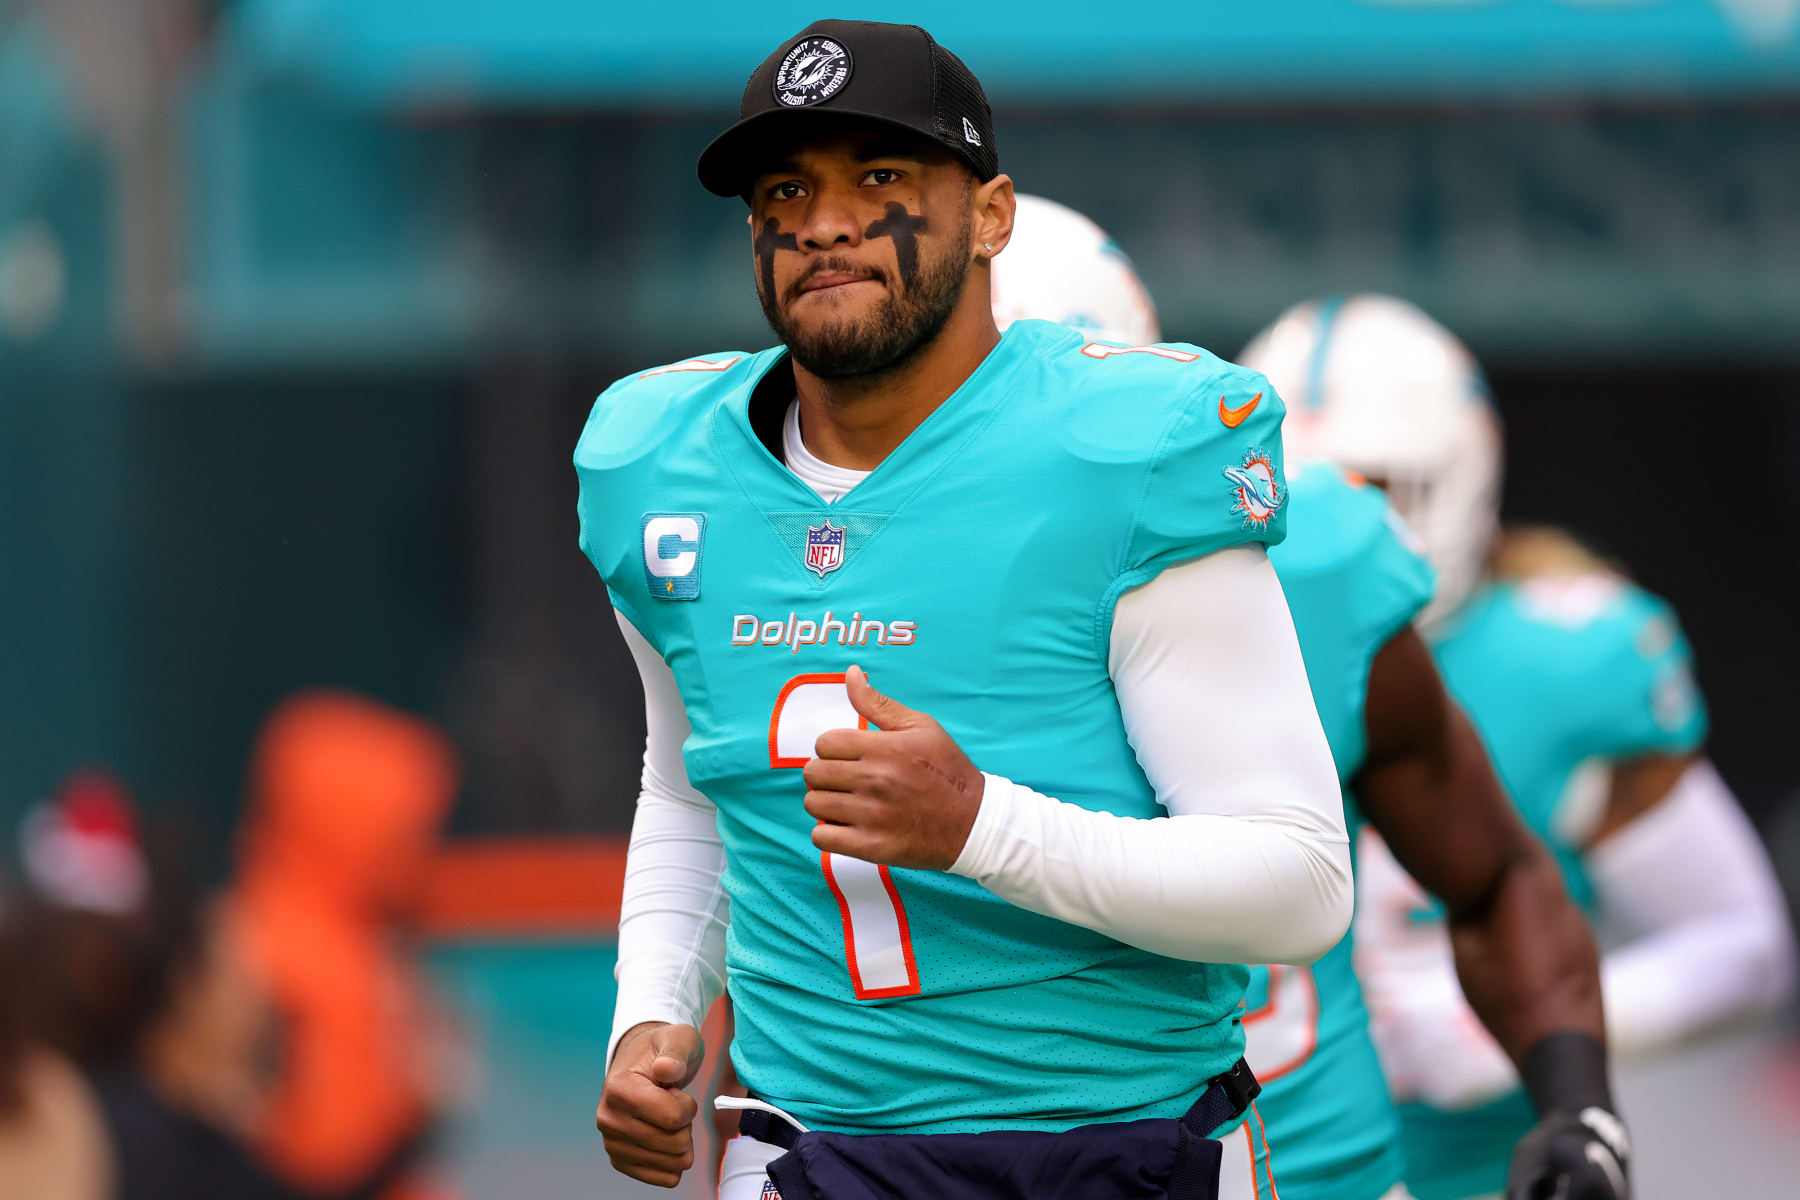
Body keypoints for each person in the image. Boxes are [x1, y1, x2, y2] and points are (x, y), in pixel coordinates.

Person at [581, 20, 1354, 1200]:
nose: (827, 223)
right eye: (788, 189)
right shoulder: (657, 461)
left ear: (992, 216)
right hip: (813, 1150)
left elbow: (1298, 883)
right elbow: (691, 783)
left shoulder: (1121, 448)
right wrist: (650, 1016)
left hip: (1120, 1143)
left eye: (879, 177)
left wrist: (981, 826)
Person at [992, 200, 1631, 1200]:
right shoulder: (813, 582)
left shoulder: (1314, 550)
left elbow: (1497, 874)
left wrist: (1576, 1103)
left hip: (1309, 1170)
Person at [1239, 294, 1798, 1200]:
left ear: (1460, 483)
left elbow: (1741, 945)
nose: (1337, 540)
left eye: (1375, 491)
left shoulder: (1558, 661)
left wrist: (1497, 1037)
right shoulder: (1184, 646)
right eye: (1307, 495)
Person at [230, 691, 463, 1200]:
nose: (418, 854)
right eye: (400, 833)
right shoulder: (283, 954)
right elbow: (322, 1155)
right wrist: (424, 1101)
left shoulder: (350, 936)